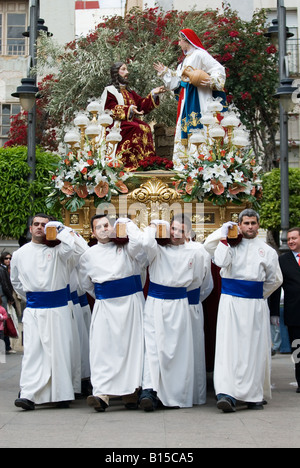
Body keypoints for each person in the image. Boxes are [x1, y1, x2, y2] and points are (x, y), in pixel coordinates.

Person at [204, 209, 283, 412]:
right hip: (230, 303)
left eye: (253, 223)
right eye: (245, 223)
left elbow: (275, 280)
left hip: (255, 305)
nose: (249, 227)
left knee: (253, 349)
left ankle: (253, 394)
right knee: (228, 347)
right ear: (239, 224)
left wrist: (256, 295)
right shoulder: (229, 245)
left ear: (258, 225)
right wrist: (224, 233)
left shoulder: (268, 251)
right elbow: (215, 256)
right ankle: (226, 393)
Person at [11, 214, 86, 410]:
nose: (39, 228)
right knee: (33, 352)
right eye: (36, 224)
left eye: (44, 225)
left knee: (60, 351)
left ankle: (62, 393)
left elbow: (75, 247)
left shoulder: (61, 251)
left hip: (59, 308)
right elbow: (16, 282)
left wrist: (60, 229)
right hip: (35, 309)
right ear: (30, 229)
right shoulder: (20, 253)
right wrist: (33, 298)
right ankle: (28, 393)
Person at [139, 214, 207, 410]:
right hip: (155, 303)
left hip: (179, 304)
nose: (176, 234)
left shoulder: (195, 252)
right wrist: (153, 226)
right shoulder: (157, 250)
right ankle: (149, 390)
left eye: (181, 230)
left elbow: (197, 281)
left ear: (188, 234)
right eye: (173, 229)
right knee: (153, 348)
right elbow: (145, 242)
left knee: (177, 351)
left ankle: (176, 394)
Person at [79, 215, 145, 412]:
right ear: (92, 233)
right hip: (105, 305)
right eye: (98, 227)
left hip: (131, 304)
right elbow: (86, 284)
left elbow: (141, 270)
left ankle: (131, 391)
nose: (103, 229)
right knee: (103, 348)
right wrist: (106, 294)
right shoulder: (88, 256)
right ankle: (101, 393)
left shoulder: (128, 249)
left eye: (106, 225)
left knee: (131, 348)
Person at [154, 28, 226, 169]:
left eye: (180, 40)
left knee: (202, 125)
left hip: (200, 97)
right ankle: (186, 164)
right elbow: (176, 82)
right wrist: (165, 73)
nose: (179, 43)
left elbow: (218, 69)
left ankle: (204, 160)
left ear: (187, 41)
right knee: (186, 130)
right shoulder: (184, 62)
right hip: (186, 100)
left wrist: (211, 80)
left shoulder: (200, 54)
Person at [100, 61, 165, 169]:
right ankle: (128, 164)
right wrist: (128, 109)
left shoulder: (130, 92)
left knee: (146, 127)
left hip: (129, 121)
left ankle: (145, 163)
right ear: (116, 72)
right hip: (115, 125)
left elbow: (142, 105)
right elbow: (109, 109)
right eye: (124, 69)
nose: (127, 72)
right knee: (135, 127)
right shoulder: (110, 91)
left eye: (127, 69)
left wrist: (154, 93)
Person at [269, 227, 300, 393]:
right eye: (289, 239)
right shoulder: (283, 260)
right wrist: (274, 312)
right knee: (297, 348)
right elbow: (275, 287)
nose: (291, 242)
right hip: (294, 313)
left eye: (294, 238)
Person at [0, 252, 16, 354]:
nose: (8, 260)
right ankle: (6, 346)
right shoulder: (2, 270)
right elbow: (5, 285)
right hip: (3, 298)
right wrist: (11, 297)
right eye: (6, 258)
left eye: (10, 258)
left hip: (4, 297)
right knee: (4, 322)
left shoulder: (5, 269)